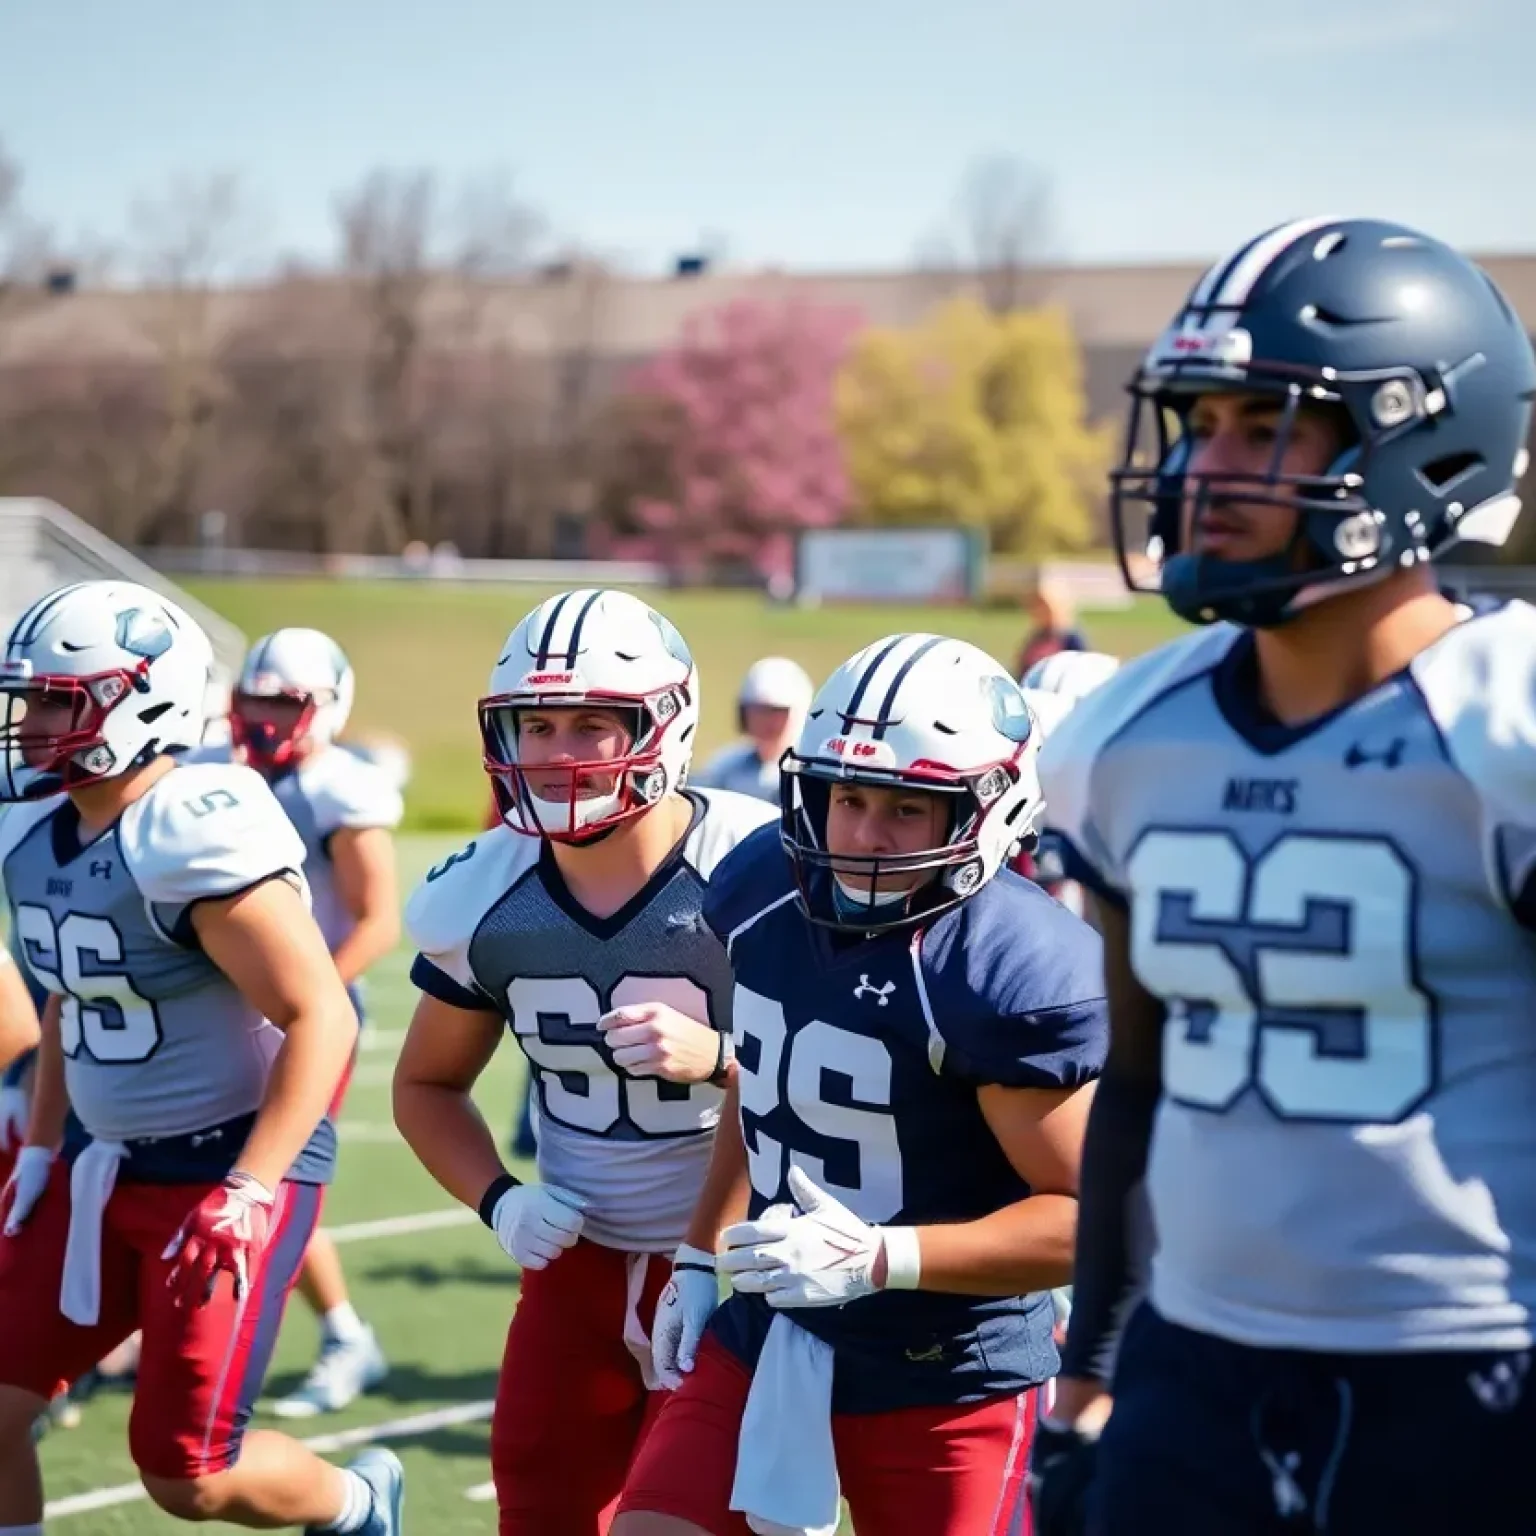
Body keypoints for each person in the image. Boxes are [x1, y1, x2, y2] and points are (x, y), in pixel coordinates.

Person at [1030, 216, 1536, 1536]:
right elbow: (1137, 1081)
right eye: (1197, 426)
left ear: (1423, 440)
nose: (1206, 471)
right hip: (1198, 1370)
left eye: (1266, 427)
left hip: (1476, 1374)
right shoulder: (1125, 735)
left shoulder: (1508, 727)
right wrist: (1091, 1372)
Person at [615, 632, 1108, 1536]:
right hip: (776, 1327)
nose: (861, 836)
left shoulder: (1002, 968)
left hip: (950, 1369)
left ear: (985, 811)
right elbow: (767, 1090)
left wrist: (883, 1257)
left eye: (906, 809)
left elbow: (1091, 1217)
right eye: (846, 797)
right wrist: (697, 1250)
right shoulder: (765, 886)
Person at [0, 580, 402, 1535]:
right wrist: (42, 1150)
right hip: (101, 1160)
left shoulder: (188, 826)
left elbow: (323, 1017)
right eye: (30, 699)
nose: (29, 722)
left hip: (220, 1169)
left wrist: (255, 1186)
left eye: (59, 698)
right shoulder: (30, 825)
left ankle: (355, 1502)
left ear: (141, 700)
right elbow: (70, 999)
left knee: (187, 1474)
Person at [392, 587, 775, 1536]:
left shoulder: (755, 865)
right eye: (537, 724)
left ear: (665, 724)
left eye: (592, 726)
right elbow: (424, 1084)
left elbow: (840, 1077)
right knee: (539, 1508)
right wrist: (499, 1198)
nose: (557, 751)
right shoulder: (483, 893)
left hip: (743, 1261)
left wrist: (725, 1058)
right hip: (577, 1264)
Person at [224, 627, 401, 1419]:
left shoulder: (339, 788)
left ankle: (344, 1335)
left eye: (286, 702)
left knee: (272, 1180)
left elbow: (377, 920)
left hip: (306, 1018)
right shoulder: (218, 773)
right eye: (256, 697)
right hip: (226, 1013)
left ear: (329, 707)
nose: (266, 717)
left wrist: (307, 997)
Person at [694, 657, 813, 803]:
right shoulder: (724, 769)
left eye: (776, 711)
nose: (764, 721)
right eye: (757, 711)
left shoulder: (810, 776)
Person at [1014, 579, 1089, 681]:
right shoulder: (1036, 637)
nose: (1038, 611)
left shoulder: (1070, 639)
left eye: (1043, 606)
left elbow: (1082, 669)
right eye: (1036, 607)